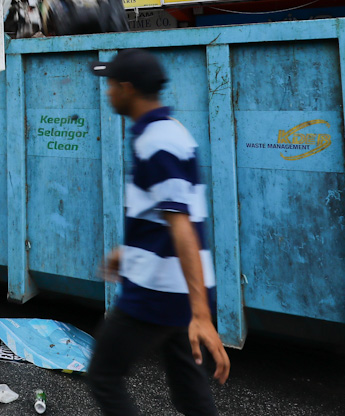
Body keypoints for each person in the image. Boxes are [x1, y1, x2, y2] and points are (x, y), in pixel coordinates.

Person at [87, 48, 229, 416]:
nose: (107, 93)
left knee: (103, 376)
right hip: (181, 286)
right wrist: (130, 250)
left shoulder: (156, 141)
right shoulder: (168, 131)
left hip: (158, 291)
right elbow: (167, 214)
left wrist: (200, 315)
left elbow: (181, 226)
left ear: (128, 88)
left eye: (111, 85)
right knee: (190, 394)